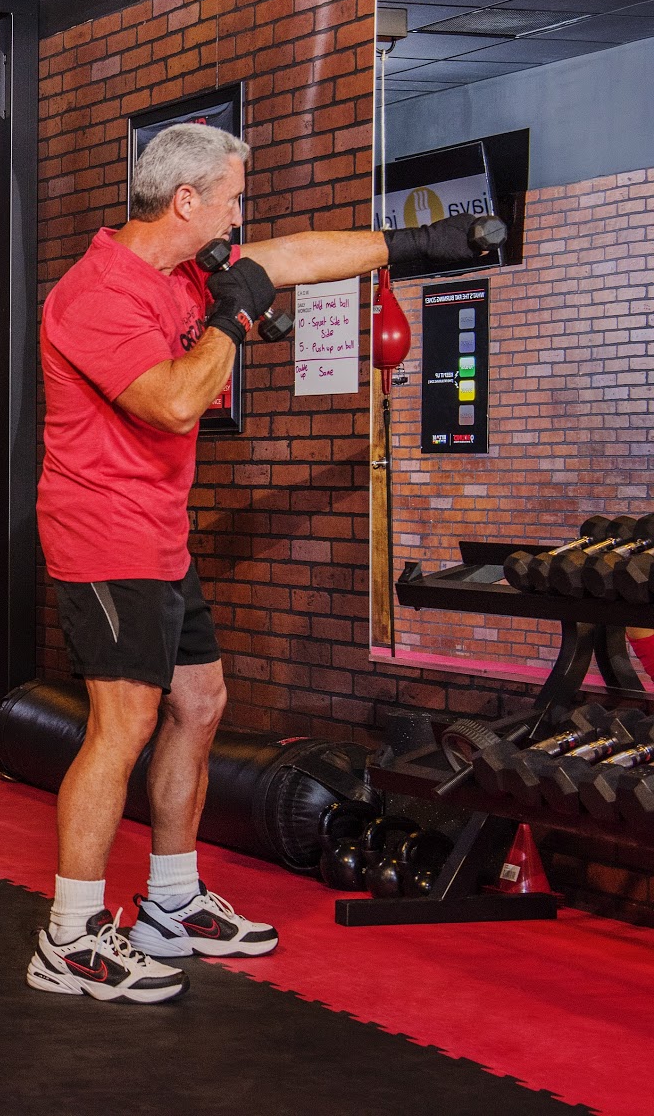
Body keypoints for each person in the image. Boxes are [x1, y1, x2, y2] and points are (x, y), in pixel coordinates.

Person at [27, 121, 502, 1003]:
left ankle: (171, 901)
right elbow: (174, 403)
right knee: (122, 725)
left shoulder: (181, 268)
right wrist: (234, 318)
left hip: (159, 531)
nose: (240, 217)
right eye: (233, 199)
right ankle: (71, 932)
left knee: (201, 704)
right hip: (102, 535)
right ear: (186, 200)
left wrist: (418, 245)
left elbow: (289, 256)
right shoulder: (97, 293)